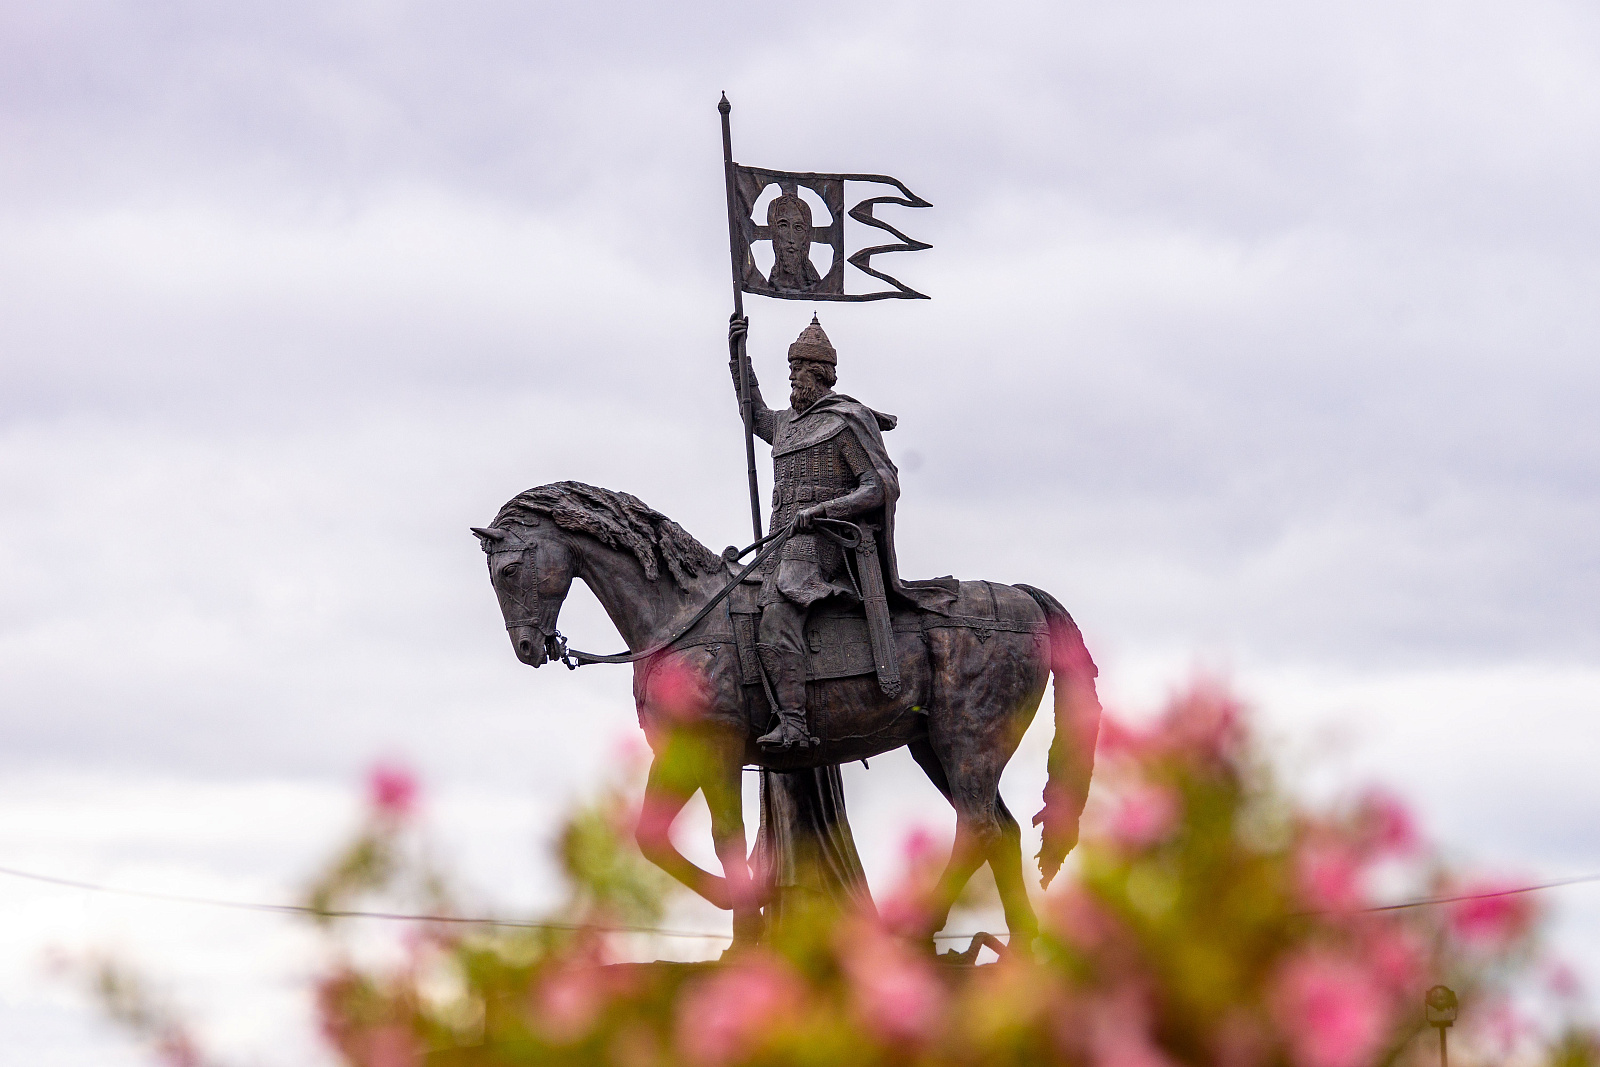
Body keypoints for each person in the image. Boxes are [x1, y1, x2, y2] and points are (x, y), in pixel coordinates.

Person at [728, 313, 955, 749]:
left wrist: (824, 510)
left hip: (826, 542)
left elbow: (881, 484)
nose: (791, 379)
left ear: (818, 375)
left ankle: (794, 723)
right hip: (780, 540)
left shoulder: (843, 421)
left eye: (797, 371)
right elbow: (753, 413)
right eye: (790, 370)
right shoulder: (786, 424)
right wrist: (739, 360)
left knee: (778, 610)